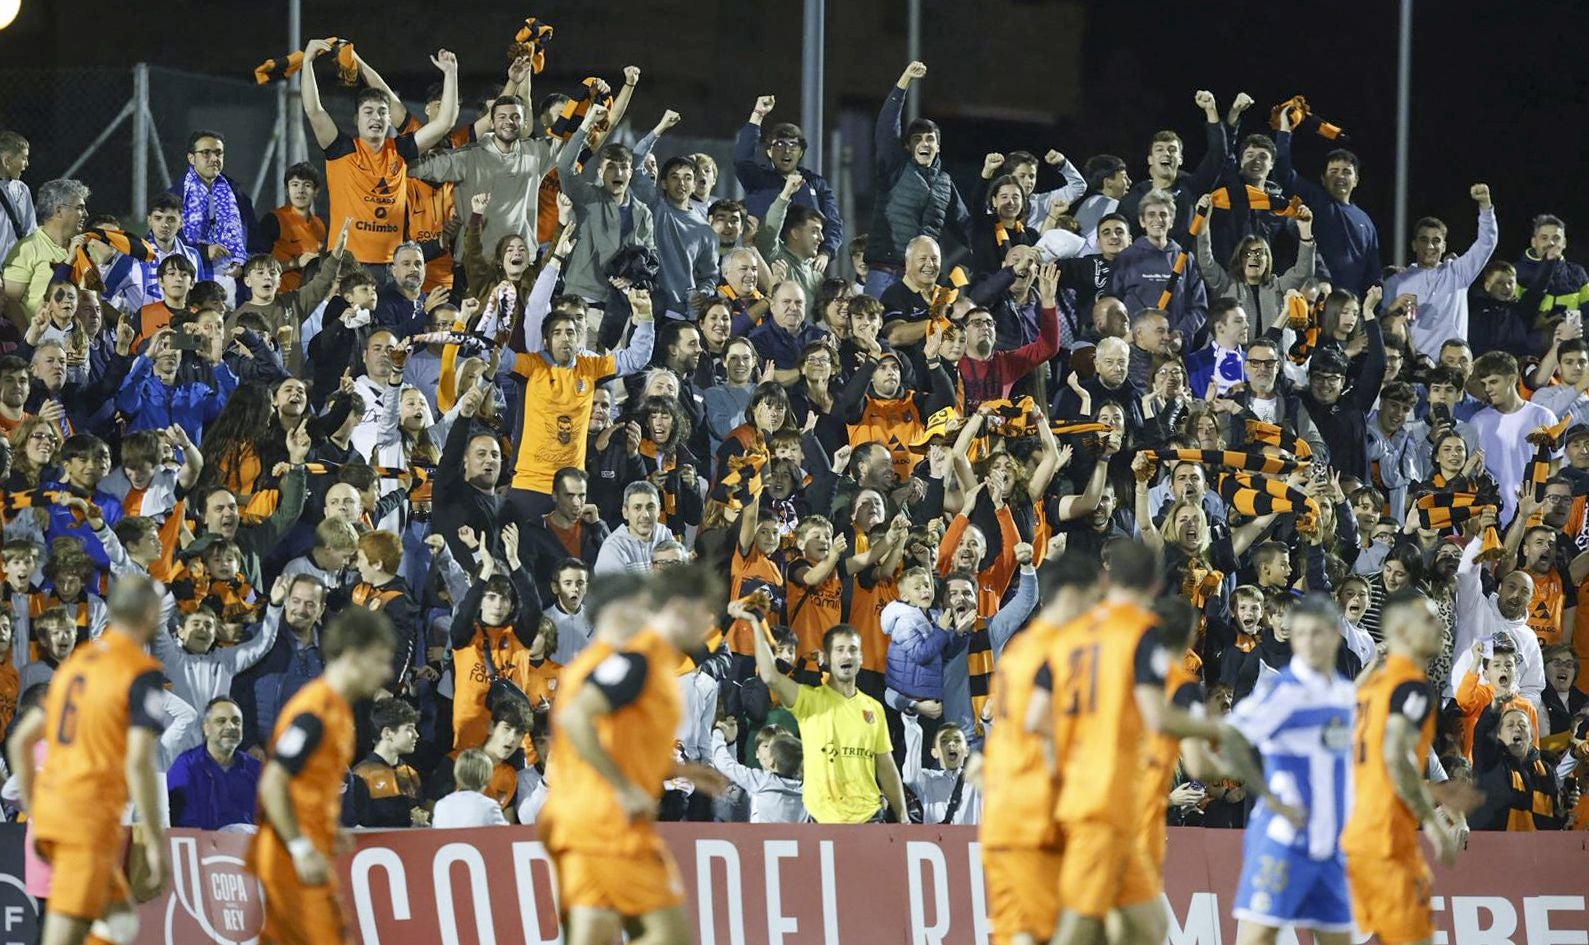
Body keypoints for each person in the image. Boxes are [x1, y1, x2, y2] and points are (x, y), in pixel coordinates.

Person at [1028, 541, 1223, 945]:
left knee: (1140, 929)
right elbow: (1156, 714)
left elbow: (1035, 720)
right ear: (1153, 583)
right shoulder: (1139, 637)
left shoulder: (1071, 634)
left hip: (1081, 797)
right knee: (1085, 926)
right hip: (1108, 803)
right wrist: (1214, 731)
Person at [539, 567, 728, 945]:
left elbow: (618, 742)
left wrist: (678, 767)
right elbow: (577, 719)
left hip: (584, 820)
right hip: (610, 825)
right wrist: (624, 788)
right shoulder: (637, 660)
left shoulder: (640, 661)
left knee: (595, 935)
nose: (711, 621)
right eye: (705, 610)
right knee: (670, 936)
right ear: (679, 608)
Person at [6, 575, 169, 945]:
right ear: (151, 613)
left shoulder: (76, 665)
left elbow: (20, 742)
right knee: (61, 934)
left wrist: (36, 805)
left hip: (56, 812)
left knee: (121, 920)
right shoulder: (141, 673)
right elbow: (140, 760)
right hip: (88, 817)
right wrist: (155, 840)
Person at [247, 607, 397, 945]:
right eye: (380, 660)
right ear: (354, 655)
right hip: (289, 857)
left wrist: (327, 829)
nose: (386, 671)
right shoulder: (315, 712)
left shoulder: (339, 712)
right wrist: (300, 847)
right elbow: (273, 783)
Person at [1219, 595, 1357, 945]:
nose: (1308, 642)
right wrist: (1266, 795)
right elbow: (1231, 737)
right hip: (1283, 841)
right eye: (1301, 634)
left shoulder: (1344, 694)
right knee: (1257, 938)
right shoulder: (1282, 691)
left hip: (1328, 845)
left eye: (1317, 633)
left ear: (1334, 635)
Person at [1342, 590, 1468, 945]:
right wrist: (1435, 825)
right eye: (1428, 619)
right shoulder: (1409, 686)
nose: (1440, 625)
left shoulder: (1373, 687)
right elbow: (1395, 758)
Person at [299, 40, 460, 266]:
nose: (376, 117)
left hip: (390, 269)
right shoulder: (341, 149)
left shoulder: (401, 150)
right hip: (346, 267)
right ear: (357, 119)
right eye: (368, 112)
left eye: (382, 112)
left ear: (388, 119)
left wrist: (451, 73)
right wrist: (307, 62)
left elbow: (444, 122)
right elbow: (314, 110)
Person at [750, 597, 908, 823]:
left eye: (853, 649)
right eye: (840, 650)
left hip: (869, 819)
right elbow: (769, 675)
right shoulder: (809, 701)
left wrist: (903, 817)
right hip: (823, 822)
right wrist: (757, 624)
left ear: (861, 658)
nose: (847, 655)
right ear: (827, 658)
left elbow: (885, 765)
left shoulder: (873, 708)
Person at [863, 61, 972, 296]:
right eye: (918, 139)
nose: (924, 143)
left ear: (938, 147)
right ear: (907, 146)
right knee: (876, 332)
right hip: (886, 273)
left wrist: (998, 253)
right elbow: (886, 129)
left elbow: (966, 227)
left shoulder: (945, 184)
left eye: (930, 139)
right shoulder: (895, 167)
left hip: (923, 281)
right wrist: (904, 82)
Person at [1384, 185, 1498, 359]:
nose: (1430, 246)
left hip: (1451, 366)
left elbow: (1486, 243)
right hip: (1414, 367)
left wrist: (1485, 205)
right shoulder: (1396, 283)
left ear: (1444, 246)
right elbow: (1377, 323)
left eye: (1436, 241)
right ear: (1414, 245)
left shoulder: (1458, 273)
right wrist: (1391, 309)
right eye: (1424, 240)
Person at [166, 696, 261, 830]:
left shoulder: (256, 769)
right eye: (221, 721)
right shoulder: (186, 766)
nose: (231, 726)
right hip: (201, 847)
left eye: (236, 721)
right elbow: (178, 821)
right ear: (206, 728)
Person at [3, 178, 88, 322]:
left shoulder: (82, 249)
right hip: (42, 341)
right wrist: (28, 338)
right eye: (80, 208)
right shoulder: (27, 249)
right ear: (59, 211)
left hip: (77, 341)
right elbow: (10, 302)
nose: (86, 214)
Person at [432, 747, 509, 828]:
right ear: (488, 777)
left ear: (457, 773)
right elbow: (505, 835)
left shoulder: (441, 805)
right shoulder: (490, 806)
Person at [0, 131, 33, 265]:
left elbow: (30, 231)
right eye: (24, 158)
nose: (27, 164)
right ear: (7, 160)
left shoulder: (22, 190)